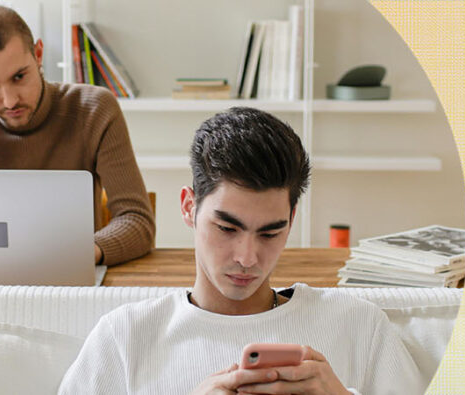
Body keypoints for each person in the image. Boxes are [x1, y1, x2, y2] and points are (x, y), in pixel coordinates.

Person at [58, 107, 423, 394]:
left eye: (270, 233)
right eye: (227, 228)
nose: (247, 258)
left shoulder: (359, 325)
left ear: (291, 219)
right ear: (189, 207)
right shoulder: (126, 337)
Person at [0, 4, 154, 265]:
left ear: (38, 54)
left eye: (19, 77)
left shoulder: (94, 109)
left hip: (66, 272)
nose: (9, 100)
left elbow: (137, 221)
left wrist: (80, 255)